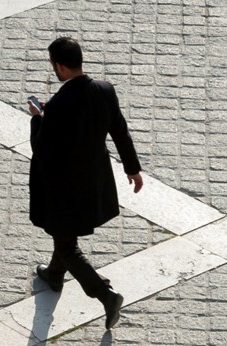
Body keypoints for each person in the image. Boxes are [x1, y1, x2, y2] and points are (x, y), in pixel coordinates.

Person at [27, 37, 143, 330]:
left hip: (63, 187)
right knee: (63, 233)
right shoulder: (104, 90)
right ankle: (54, 275)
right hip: (93, 182)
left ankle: (106, 295)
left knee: (67, 245)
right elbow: (119, 129)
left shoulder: (58, 105)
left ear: (60, 66)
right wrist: (133, 168)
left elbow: (41, 151)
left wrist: (37, 119)